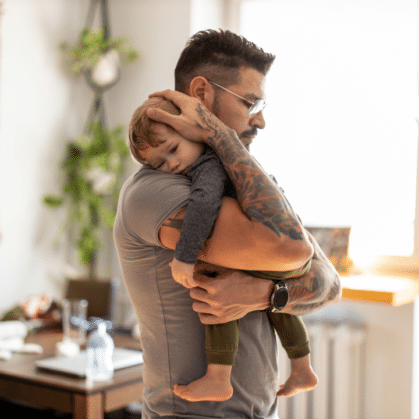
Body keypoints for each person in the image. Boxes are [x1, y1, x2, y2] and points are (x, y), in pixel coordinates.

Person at [114, 29, 341, 419]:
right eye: (251, 102)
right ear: (201, 94)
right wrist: (219, 133)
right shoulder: (155, 191)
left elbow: (330, 284)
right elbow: (292, 250)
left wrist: (266, 293)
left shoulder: (248, 184)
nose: (262, 120)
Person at [127, 96, 318, 403]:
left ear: (193, 132)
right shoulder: (223, 162)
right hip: (290, 260)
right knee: (276, 307)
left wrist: (185, 257)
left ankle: (218, 377)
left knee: (214, 285)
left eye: (174, 150)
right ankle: (302, 368)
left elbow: (203, 206)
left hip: (280, 251)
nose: (172, 164)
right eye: (160, 163)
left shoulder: (207, 167)